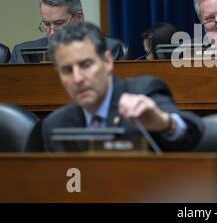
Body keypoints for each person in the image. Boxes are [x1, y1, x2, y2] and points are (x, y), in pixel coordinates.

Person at [42, 21, 203, 152]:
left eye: (86, 65)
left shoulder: (143, 92)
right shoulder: (55, 124)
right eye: (67, 70)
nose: (77, 79)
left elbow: (193, 132)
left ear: (107, 62)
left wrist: (165, 123)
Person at [9, 0, 128, 63]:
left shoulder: (108, 49)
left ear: (78, 18)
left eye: (59, 23)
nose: (51, 33)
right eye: (46, 24)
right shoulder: (20, 54)